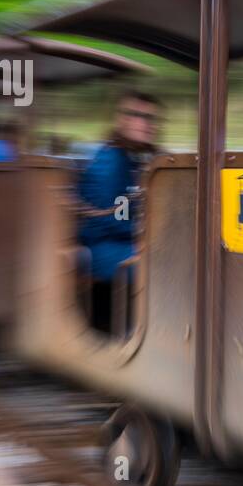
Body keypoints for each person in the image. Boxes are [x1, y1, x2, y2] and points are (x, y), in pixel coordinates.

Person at [77, 90, 163, 334]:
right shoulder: (112, 160)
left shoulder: (138, 157)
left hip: (125, 239)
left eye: (151, 118)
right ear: (122, 120)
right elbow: (114, 218)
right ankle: (140, 332)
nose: (145, 124)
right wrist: (153, 236)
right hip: (104, 246)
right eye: (137, 116)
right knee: (161, 264)